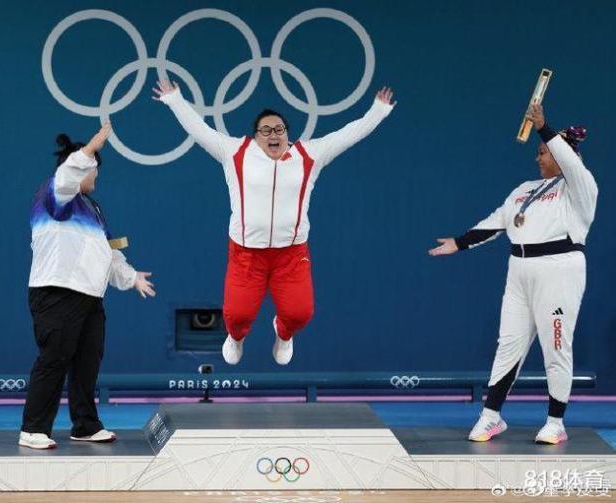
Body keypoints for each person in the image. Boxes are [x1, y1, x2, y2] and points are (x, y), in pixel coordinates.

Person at [153, 80, 395, 365]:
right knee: (237, 317)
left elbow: (347, 135)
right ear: (255, 136)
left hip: (291, 255)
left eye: (279, 129)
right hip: (246, 254)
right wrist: (175, 99)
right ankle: (236, 337)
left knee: (300, 314)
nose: (273, 135)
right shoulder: (234, 152)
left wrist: (378, 111)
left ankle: (283, 334)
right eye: (266, 130)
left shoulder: (309, 155)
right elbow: (199, 129)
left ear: (287, 134)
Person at [429, 104, 597, 444]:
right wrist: (459, 243)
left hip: (559, 270)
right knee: (508, 344)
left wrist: (544, 128)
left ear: (563, 156)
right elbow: (497, 222)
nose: (537, 158)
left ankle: (555, 422)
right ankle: (491, 417)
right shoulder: (524, 188)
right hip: (519, 271)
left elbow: (570, 163)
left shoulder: (579, 188)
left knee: (556, 346)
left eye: (543, 153)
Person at [19, 124, 156, 449]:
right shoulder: (55, 194)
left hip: (89, 297)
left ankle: (84, 425)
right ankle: (33, 429)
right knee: (54, 359)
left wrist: (131, 276)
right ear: (84, 166)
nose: (96, 178)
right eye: (93, 169)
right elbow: (68, 174)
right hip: (57, 293)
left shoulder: (92, 209)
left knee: (86, 363)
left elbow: (107, 252)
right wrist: (91, 147)